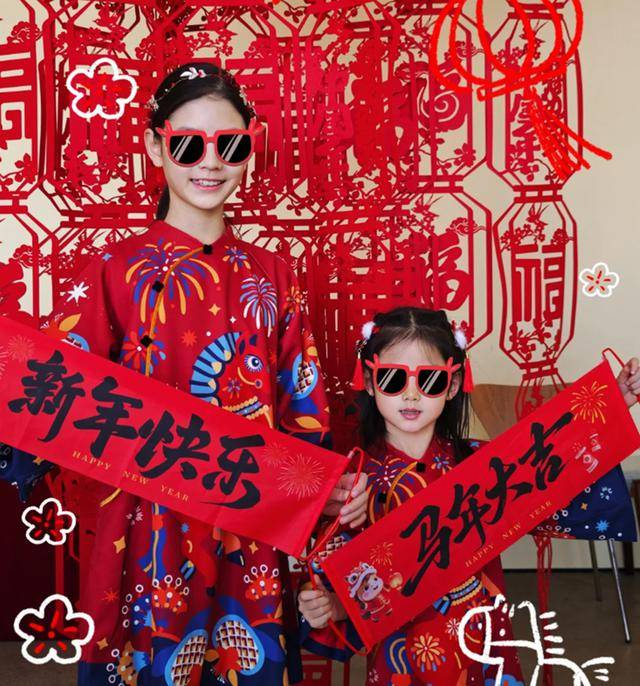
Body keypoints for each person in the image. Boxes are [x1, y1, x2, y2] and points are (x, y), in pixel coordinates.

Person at [0, 61, 367, 685]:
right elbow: (50, 395)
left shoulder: (274, 277)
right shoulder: (114, 273)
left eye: (230, 144)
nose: (211, 162)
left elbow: (303, 414)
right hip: (145, 530)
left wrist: (330, 490)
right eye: (189, 144)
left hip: (250, 528)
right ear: (155, 145)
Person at [299, 306, 640, 685]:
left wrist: (615, 404)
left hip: (482, 639)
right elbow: (340, 577)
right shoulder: (354, 482)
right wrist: (329, 605)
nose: (411, 394)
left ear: (453, 383)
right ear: (369, 380)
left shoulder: (483, 463)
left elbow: (556, 473)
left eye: (429, 380)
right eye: (393, 378)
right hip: (402, 655)